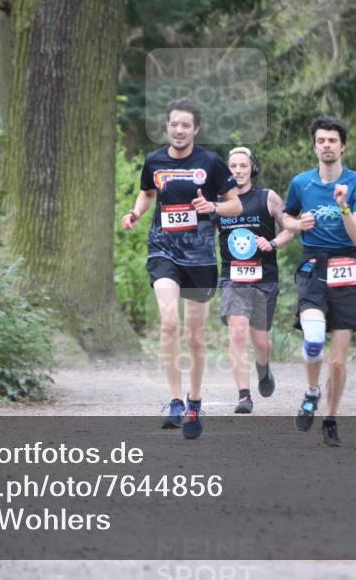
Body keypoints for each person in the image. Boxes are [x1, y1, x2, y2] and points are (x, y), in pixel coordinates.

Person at [122, 97, 242, 440]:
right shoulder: (154, 160)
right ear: (167, 126)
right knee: (170, 321)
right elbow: (148, 193)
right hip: (163, 251)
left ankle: (195, 401)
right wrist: (136, 212)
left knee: (195, 335)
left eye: (185, 125)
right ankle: (175, 401)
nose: (179, 130)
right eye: (174, 124)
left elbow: (235, 205)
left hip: (201, 258)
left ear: (196, 129)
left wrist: (213, 206)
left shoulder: (211, 162)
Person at [280, 116, 356, 447]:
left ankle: (331, 418)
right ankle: (311, 392)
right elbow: (286, 217)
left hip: (346, 265)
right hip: (313, 265)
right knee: (314, 338)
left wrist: (343, 206)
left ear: (342, 146)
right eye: (321, 140)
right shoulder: (301, 183)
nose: (326, 146)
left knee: (336, 360)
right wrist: (296, 224)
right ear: (314, 146)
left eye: (332, 140)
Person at [215, 146, 295, 414]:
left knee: (261, 342)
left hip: (264, 279)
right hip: (232, 278)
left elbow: (289, 228)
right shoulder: (219, 203)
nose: (238, 171)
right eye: (233, 166)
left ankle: (263, 368)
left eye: (243, 166)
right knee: (237, 333)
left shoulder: (267, 197)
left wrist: (272, 243)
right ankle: (244, 396)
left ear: (252, 169)